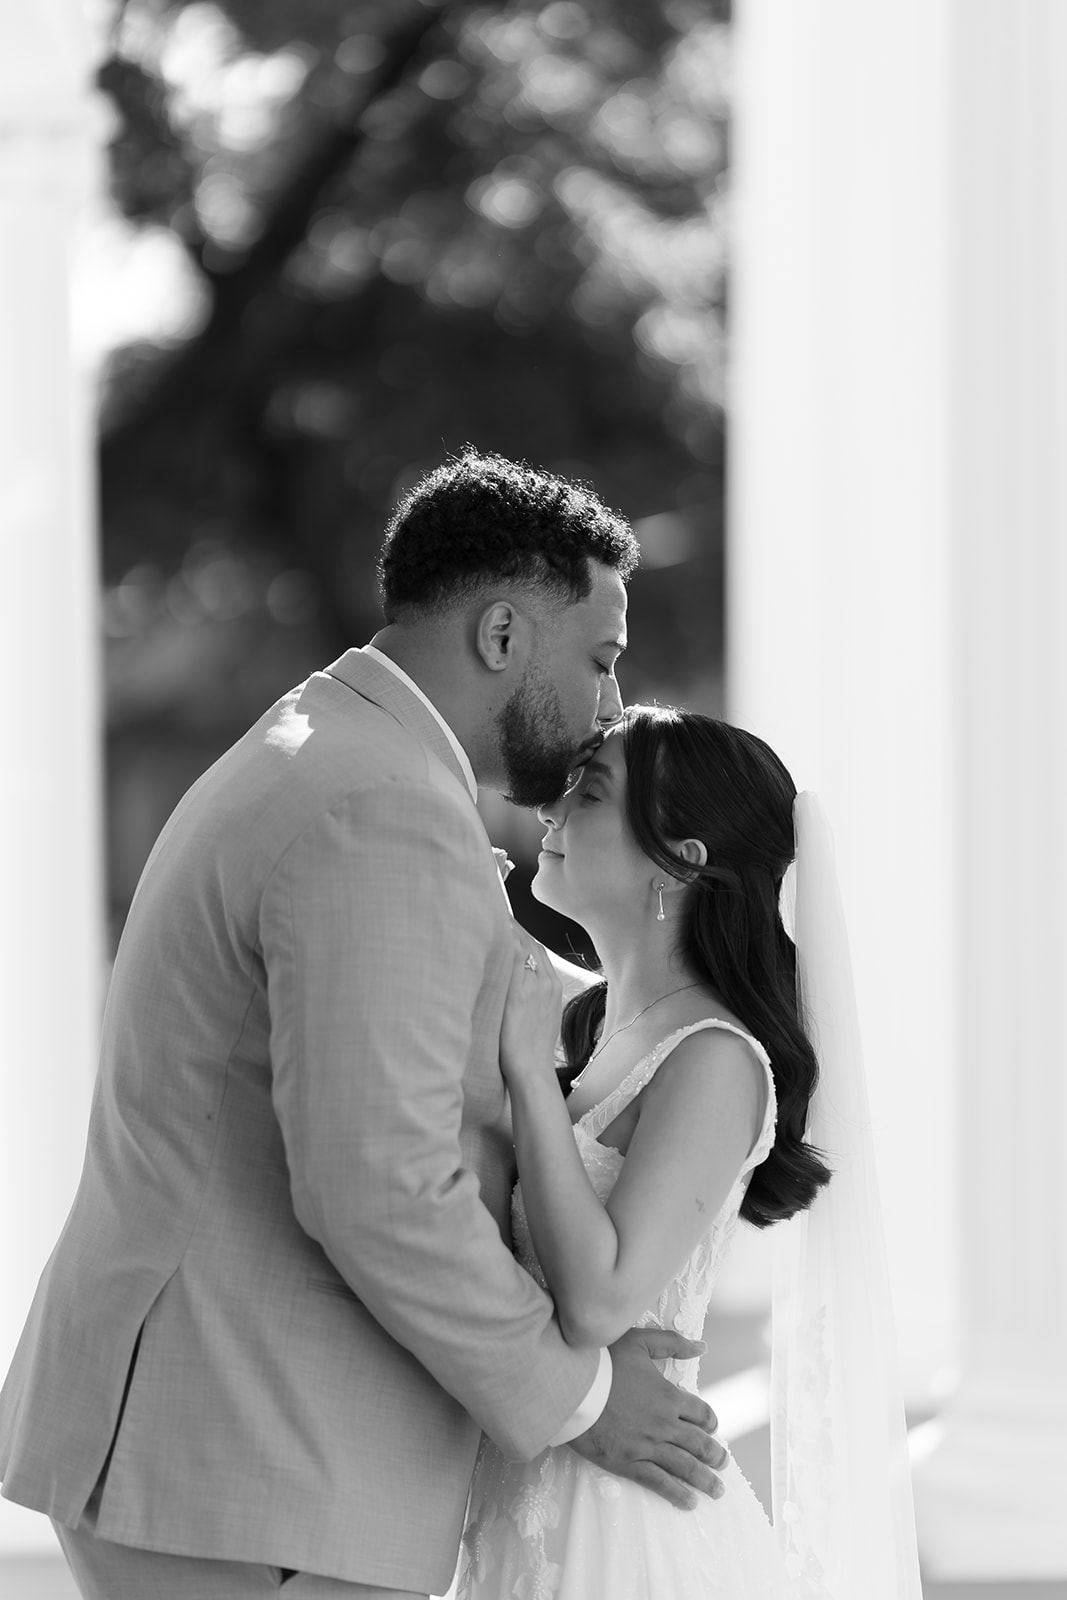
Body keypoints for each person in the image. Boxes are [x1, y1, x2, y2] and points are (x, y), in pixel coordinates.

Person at [0, 453, 727, 1600]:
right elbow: (377, 1183)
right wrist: (579, 1398)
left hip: (225, 1455)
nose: (607, 709)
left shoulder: (327, 747)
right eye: (598, 660)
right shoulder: (380, 807)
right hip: (255, 1465)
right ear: (500, 634)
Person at [450, 704, 923, 1600]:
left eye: (588, 795)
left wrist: (521, 1068)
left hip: (626, 1523)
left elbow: (596, 1301)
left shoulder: (714, 1056)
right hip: (529, 1490)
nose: (549, 815)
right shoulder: (589, 1020)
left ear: (682, 860)